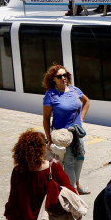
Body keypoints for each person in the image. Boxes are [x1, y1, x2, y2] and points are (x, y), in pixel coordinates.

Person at [42, 64, 90, 194]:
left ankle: (77, 184)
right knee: (69, 161)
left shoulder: (75, 90)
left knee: (80, 158)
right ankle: (72, 189)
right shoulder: (50, 95)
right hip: (62, 134)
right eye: (59, 76)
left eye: (65, 75)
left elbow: (87, 102)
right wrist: (49, 138)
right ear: (53, 79)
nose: (63, 78)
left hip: (77, 132)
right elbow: (46, 118)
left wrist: (82, 119)